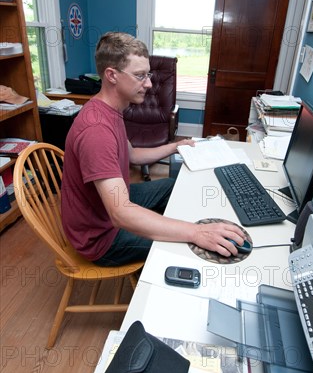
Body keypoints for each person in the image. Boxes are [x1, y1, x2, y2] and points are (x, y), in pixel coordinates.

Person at [61, 32, 245, 266]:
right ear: (112, 75)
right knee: (188, 246)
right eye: (140, 76)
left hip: (111, 204)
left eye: (147, 74)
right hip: (99, 237)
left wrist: (175, 147)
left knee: (172, 186)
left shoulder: (112, 109)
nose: (148, 83)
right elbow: (121, 214)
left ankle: (191, 230)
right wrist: (194, 233)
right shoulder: (96, 129)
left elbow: (133, 155)